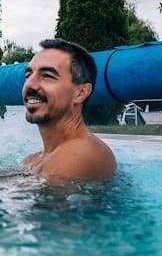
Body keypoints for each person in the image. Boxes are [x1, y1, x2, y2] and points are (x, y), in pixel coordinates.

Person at [21, 39, 116, 182]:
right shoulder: (33, 159)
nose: (30, 84)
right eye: (28, 75)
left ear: (81, 93)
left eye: (47, 76)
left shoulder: (82, 153)